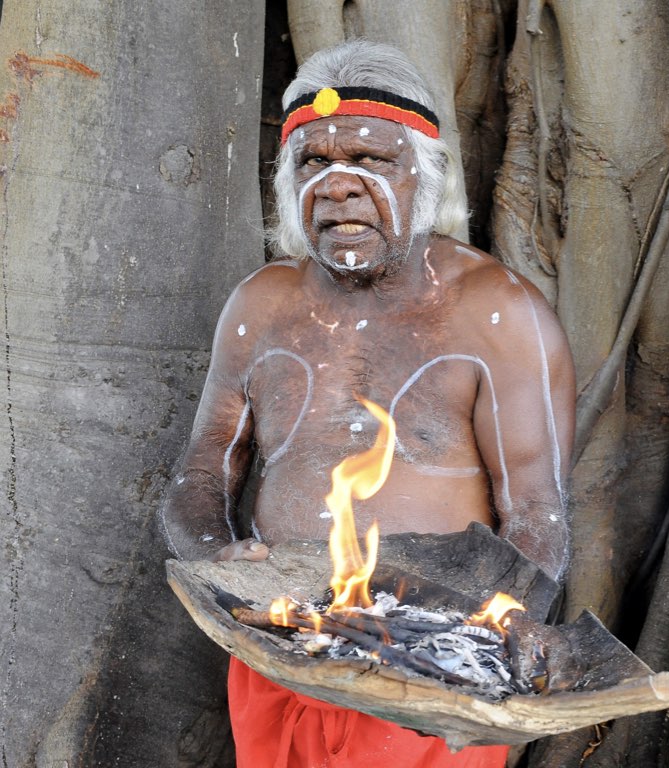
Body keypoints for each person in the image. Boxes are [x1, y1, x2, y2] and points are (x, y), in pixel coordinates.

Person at [160, 39, 575, 768]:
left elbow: (538, 516)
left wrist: (484, 634)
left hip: (434, 674)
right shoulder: (261, 306)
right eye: (314, 163)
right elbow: (199, 479)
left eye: (372, 161)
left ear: (426, 174)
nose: (340, 185)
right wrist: (222, 568)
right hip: (278, 653)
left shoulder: (497, 313)